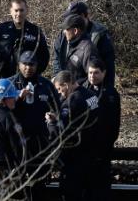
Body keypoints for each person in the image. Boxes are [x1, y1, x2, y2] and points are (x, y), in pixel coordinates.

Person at [8, 51, 61, 200]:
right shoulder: (10, 84)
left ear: (37, 66)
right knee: (16, 186)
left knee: (39, 185)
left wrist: (54, 117)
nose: (28, 68)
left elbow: (57, 109)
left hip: (39, 143)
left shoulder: (46, 85)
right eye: (25, 64)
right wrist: (18, 97)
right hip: (17, 144)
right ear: (19, 65)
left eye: (31, 64)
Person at [49, 71, 97, 201]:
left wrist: (53, 122)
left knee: (70, 192)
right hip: (92, 151)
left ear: (67, 84)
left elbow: (62, 131)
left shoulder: (71, 102)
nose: (59, 92)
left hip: (74, 153)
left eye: (59, 88)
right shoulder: (91, 95)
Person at [53, 1, 116, 88]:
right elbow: (57, 59)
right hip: (66, 87)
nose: (68, 21)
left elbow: (108, 68)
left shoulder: (100, 37)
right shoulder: (65, 33)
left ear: (83, 16)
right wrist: (58, 80)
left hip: (85, 89)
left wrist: (107, 92)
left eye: (71, 17)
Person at [83, 58, 120, 197]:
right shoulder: (82, 89)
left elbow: (114, 123)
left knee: (101, 184)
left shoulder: (111, 94)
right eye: (90, 73)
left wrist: (107, 144)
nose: (92, 76)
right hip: (85, 145)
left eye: (96, 73)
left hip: (102, 146)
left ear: (104, 73)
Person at [0, 0, 50, 78]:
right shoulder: (1, 29)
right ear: (10, 11)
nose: (19, 14)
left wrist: (33, 72)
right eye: (16, 10)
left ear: (27, 11)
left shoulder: (35, 31)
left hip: (28, 78)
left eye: (21, 10)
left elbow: (44, 56)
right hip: (4, 78)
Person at [55, 15, 99, 86]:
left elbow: (93, 77)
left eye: (66, 29)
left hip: (80, 95)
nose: (64, 32)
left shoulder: (88, 49)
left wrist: (78, 89)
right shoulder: (73, 45)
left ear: (75, 31)